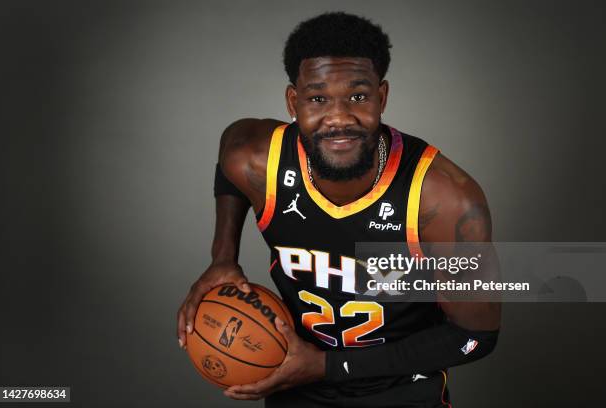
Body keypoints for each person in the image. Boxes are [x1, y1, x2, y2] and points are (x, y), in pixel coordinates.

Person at [177, 12, 500, 407]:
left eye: (358, 97)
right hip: (293, 384)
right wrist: (223, 257)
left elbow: (475, 336)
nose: (340, 117)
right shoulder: (259, 158)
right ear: (293, 102)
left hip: (402, 391)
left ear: (381, 97)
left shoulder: (442, 197)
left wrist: (328, 366)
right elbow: (231, 149)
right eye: (317, 99)